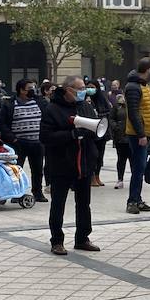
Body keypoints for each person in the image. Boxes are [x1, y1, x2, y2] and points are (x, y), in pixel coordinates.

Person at [40, 76, 104, 257]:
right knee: (58, 204)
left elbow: (96, 129)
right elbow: (45, 137)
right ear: (68, 90)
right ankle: (57, 241)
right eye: (80, 88)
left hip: (84, 162)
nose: (84, 91)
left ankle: (82, 238)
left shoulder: (85, 106)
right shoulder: (52, 109)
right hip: (62, 163)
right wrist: (71, 135)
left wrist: (93, 135)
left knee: (84, 203)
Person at [0, 78, 46, 203]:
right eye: (29, 88)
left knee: (37, 169)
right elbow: (2, 123)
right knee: (16, 169)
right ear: (21, 90)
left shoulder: (40, 102)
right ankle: (16, 193)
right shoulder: (10, 104)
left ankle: (38, 192)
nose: (32, 91)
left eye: (34, 88)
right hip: (18, 143)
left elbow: (47, 119)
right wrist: (12, 139)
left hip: (37, 142)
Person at [124, 58, 150, 215]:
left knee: (141, 167)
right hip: (139, 135)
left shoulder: (144, 86)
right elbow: (133, 113)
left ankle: (137, 199)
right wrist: (141, 134)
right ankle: (132, 201)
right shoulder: (133, 87)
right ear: (148, 70)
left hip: (148, 133)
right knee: (138, 168)